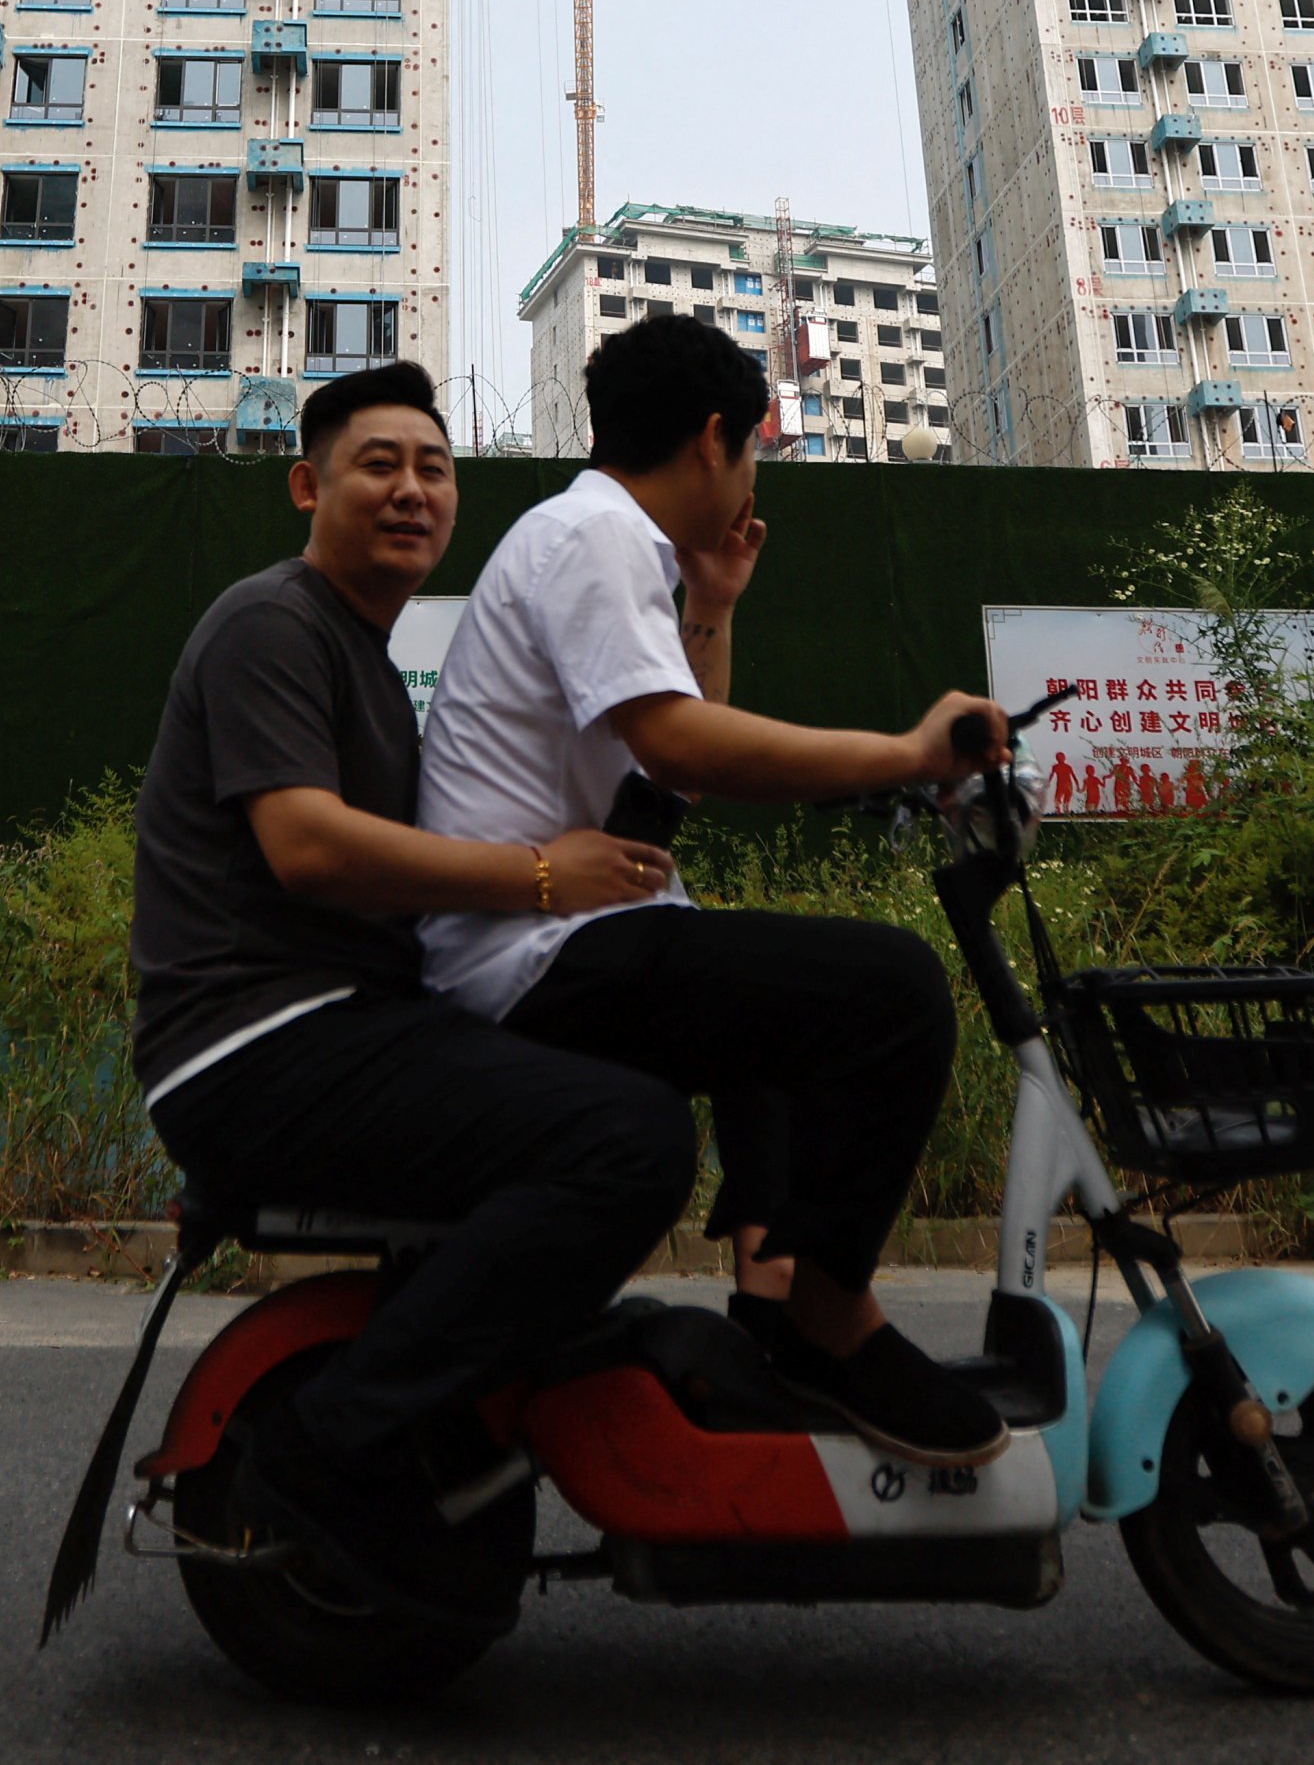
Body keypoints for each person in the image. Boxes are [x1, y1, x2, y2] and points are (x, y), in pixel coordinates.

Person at [130, 360, 685, 1623]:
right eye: (378, 463)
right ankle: (333, 1446)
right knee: (627, 1139)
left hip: (339, 1026)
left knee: (624, 1089)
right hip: (258, 1043)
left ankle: (500, 1383)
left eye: (434, 469)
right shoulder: (274, 621)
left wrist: (704, 608)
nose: (412, 490)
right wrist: (542, 877)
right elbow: (308, 848)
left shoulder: (370, 661)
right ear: (305, 484)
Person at [417, 312, 1014, 1465]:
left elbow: (660, 788)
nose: (747, 481)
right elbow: (687, 746)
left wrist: (717, 603)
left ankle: (768, 1305)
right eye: (750, 453)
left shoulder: (609, 543)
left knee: (769, 996)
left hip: (570, 932)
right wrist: (909, 751)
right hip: (530, 951)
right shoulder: (591, 536)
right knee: (889, 991)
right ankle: (827, 1320)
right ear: (710, 440)